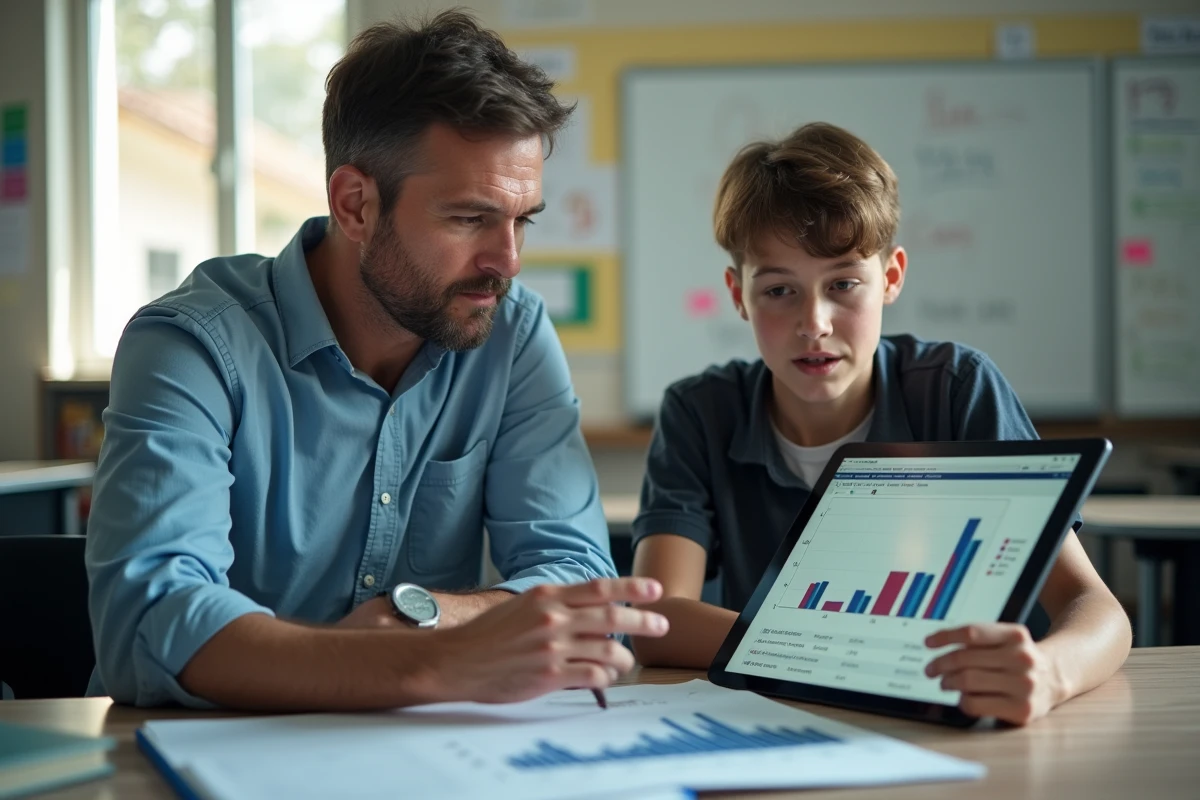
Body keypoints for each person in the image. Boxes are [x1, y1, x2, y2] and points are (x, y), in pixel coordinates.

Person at [85, 11, 668, 711]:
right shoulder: (191, 346)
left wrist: (415, 617)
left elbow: (579, 583)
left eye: (522, 220)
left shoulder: (511, 336)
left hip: (416, 749)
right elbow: (149, 623)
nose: (508, 262)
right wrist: (431, 663)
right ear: (355, 204)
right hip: (188, 750)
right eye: (469, 218)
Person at [629, 122, 1130, 725]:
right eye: (780, 290)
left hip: (947, 725)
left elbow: (1093, 605)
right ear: (738, 294)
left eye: (843, 284)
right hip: (783, 723)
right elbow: (655, 621)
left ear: (890, 278)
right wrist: (852, 655)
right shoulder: (699, 411)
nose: (815, 323)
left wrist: (1050, 673)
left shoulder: (957, 389)